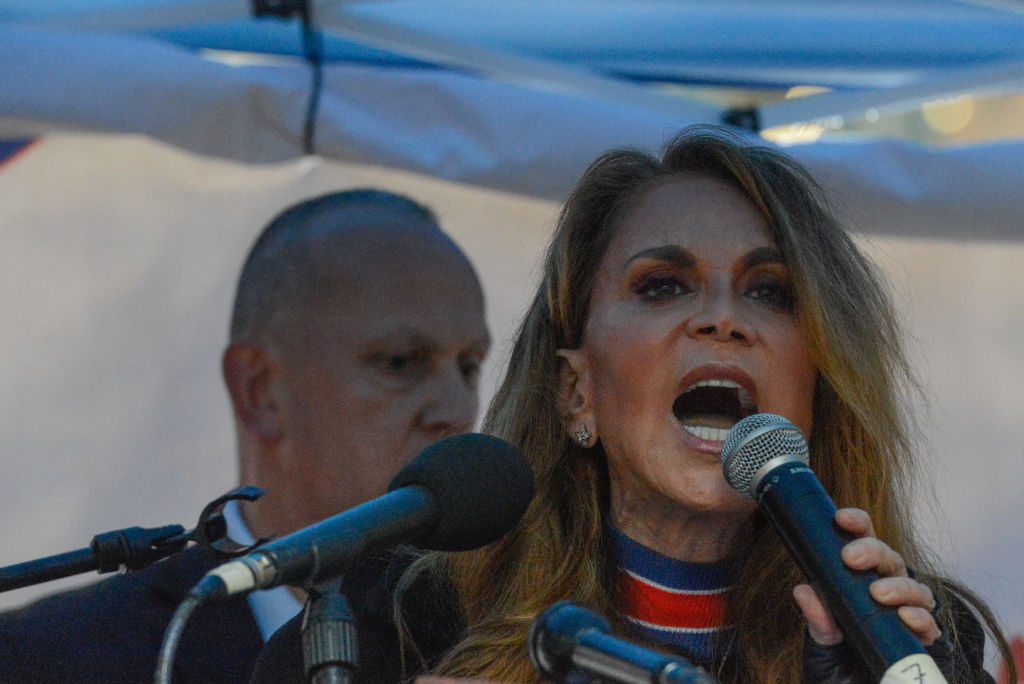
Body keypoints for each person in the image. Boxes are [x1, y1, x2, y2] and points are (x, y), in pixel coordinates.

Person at [251, 128, 1016, 683]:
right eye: (663, 285)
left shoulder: (910, 641)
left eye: (771, 292)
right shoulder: (395, 626)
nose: (723, 319)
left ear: (819, 384)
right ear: (575, 391)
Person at [0, 189, 490, 683]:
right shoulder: (49, 657)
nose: (456, 411)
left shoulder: (508, 638)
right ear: (260, 391)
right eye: (400, 362)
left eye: (469, 367)